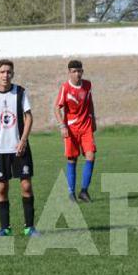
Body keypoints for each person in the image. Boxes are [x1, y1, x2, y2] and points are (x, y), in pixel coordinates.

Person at [0, 59, 40, 237]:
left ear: (12, 74)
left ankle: (29, 227)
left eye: (8, 72)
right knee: (1, 188)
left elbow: (28, 117)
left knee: (26, 186)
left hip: (20, 149)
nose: (5, 75)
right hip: (1, 150)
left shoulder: (20, 92)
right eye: (2, 72)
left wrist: (23, 140)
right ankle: (5, 228)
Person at [54, 59, 97, 203]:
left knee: (90, 156)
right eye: (74, 71)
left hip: (86, 127)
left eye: (79, 71)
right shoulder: (65, 88)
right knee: (72, 159)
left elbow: (90, 103)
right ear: (69, 73)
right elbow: (56, 108)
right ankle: (71, 193)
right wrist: (62, 126)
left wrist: (94, 119)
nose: (77, 74)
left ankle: (84, 191)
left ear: (82, 71)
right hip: (71, 129)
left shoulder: (87, 85)